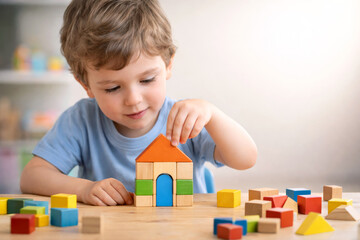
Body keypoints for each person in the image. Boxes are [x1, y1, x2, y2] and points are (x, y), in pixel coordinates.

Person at [20, 0, 257, 206]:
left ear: (168, 66)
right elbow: (32, 177)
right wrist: (83, 189)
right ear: (86, 86)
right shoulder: (82, 120)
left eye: (147, 79)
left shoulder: (186, 118)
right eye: (112, 88)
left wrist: (213, 115)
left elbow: (245, 159)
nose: (133, 100)